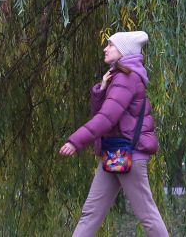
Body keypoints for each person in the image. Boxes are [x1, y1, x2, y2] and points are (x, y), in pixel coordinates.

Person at [59, 30, 168, 237]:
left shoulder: (127, 78)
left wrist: (75, 141)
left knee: (147, 215)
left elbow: (107, 118)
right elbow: (106, 116)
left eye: (110, 45)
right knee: (91, 213)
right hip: (115, 153)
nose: (105, 48)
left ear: (124, 51)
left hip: (130, 155)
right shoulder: (119, 77)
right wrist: (101, 88)